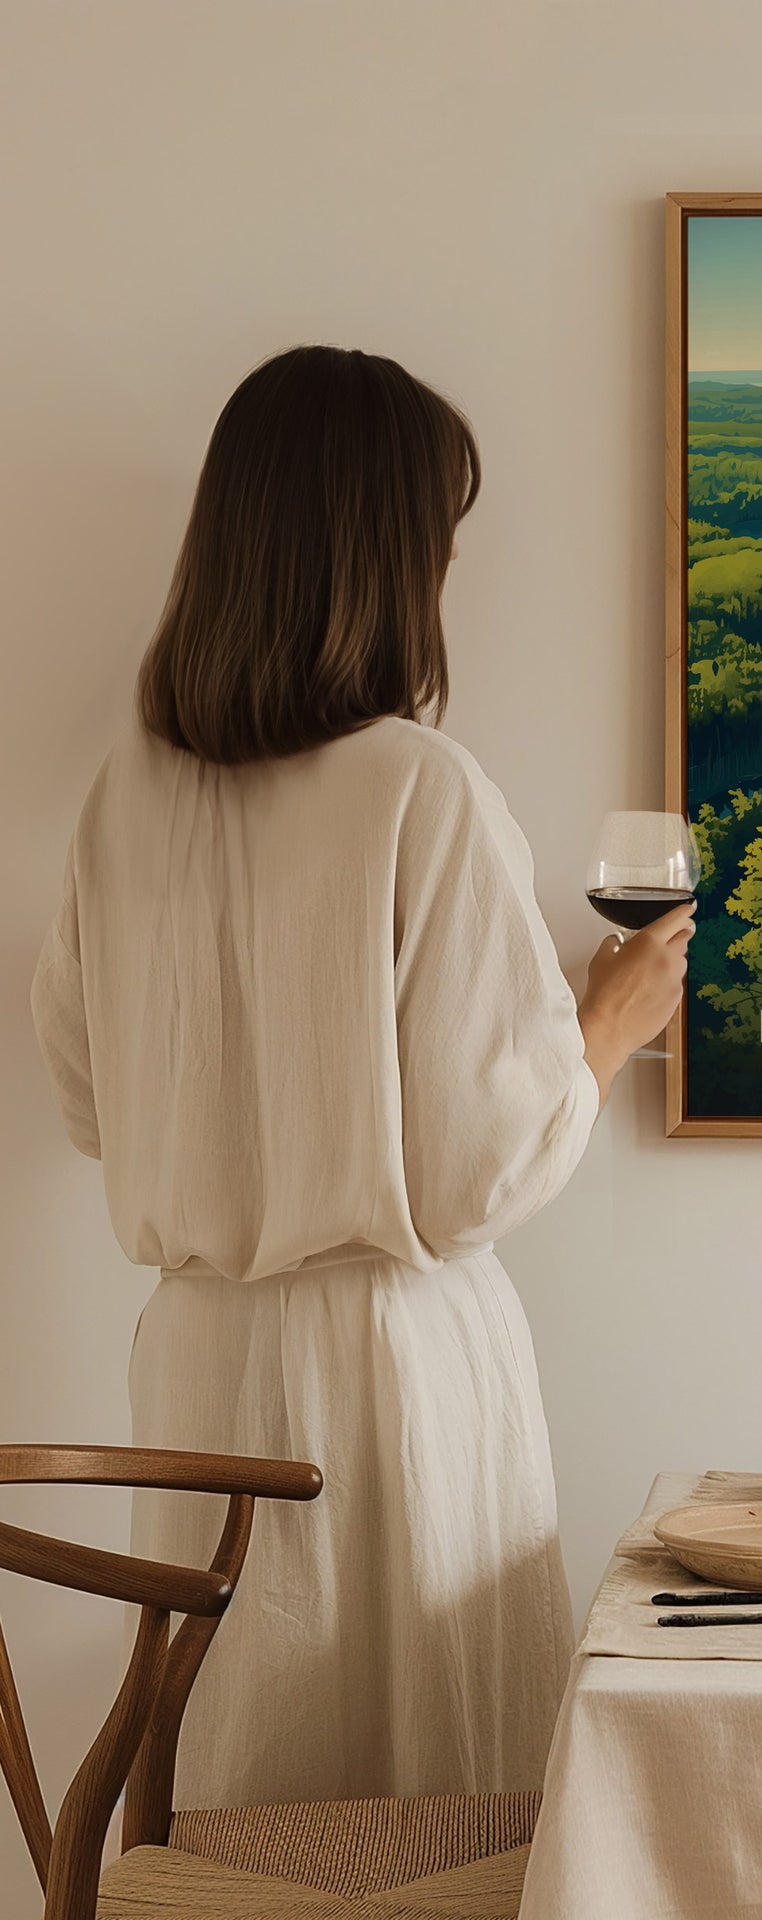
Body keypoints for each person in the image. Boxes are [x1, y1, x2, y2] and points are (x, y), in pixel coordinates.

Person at [29, 345, 689, 1806]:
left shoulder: (123, 797)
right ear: (387, 556)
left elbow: (87, 1101)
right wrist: (606, 1020)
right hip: (390, 1372)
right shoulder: (417, 786)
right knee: (423, 1810)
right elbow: (474, 1173)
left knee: (241, 1789)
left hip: (198, 1361)